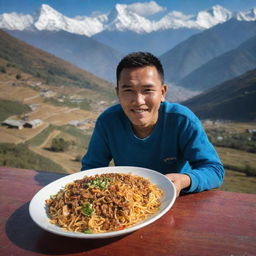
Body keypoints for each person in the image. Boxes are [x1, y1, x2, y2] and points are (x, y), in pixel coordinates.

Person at [81, 52, 224, 197]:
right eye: (128, 90)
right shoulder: (108, 122)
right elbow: (91, 170)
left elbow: (214, 170)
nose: (138, 101)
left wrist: (184, 180)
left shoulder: (181, 120)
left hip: (176, 201)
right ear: (118, 93)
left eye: (147, 90)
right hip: (126, 204)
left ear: (162, 92)